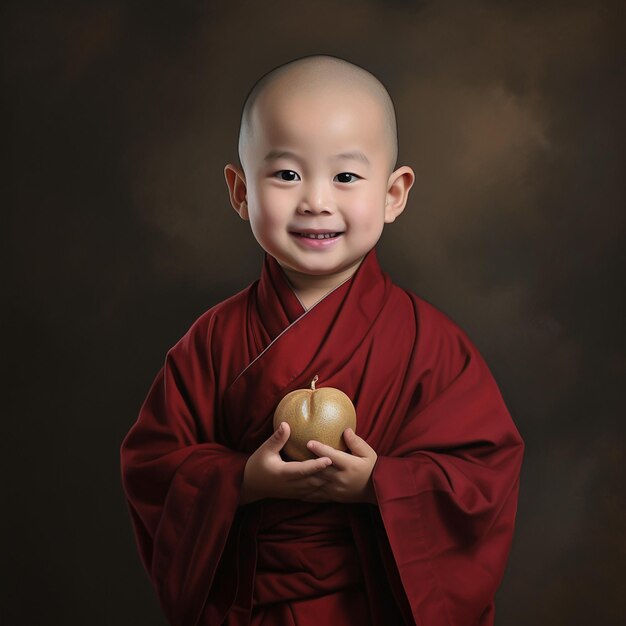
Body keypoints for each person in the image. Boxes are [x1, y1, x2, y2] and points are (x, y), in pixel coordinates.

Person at [120, 54, 524, 626]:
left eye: (346, 176)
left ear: (394, 193)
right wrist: (240, 480)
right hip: (248, 608)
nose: (315, 200)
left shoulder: (431, 345)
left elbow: (483, 477)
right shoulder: (211, 341)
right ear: (239, 191)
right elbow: (152, 465)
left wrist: (379, 486)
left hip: (374, 605)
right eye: (286, 174)